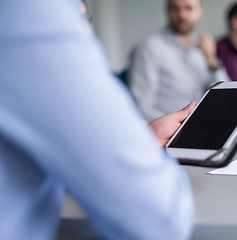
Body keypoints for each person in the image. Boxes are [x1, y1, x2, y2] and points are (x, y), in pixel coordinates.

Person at [0, 0, 195, 239]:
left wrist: (141, 136)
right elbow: (159, 219)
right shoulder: (30, 12)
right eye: (78, 20)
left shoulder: (199, 48)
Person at [129, 0, 229, 121]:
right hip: (171, 131)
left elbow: (227, 94)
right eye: (175, 8)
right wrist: (180, 124)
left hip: (204, 123)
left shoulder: (203, 48)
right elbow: (141, 107)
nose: (182, 15)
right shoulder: (149, 47)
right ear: (167, 11)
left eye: (189, 8)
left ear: (200, 12)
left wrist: (212, 60)